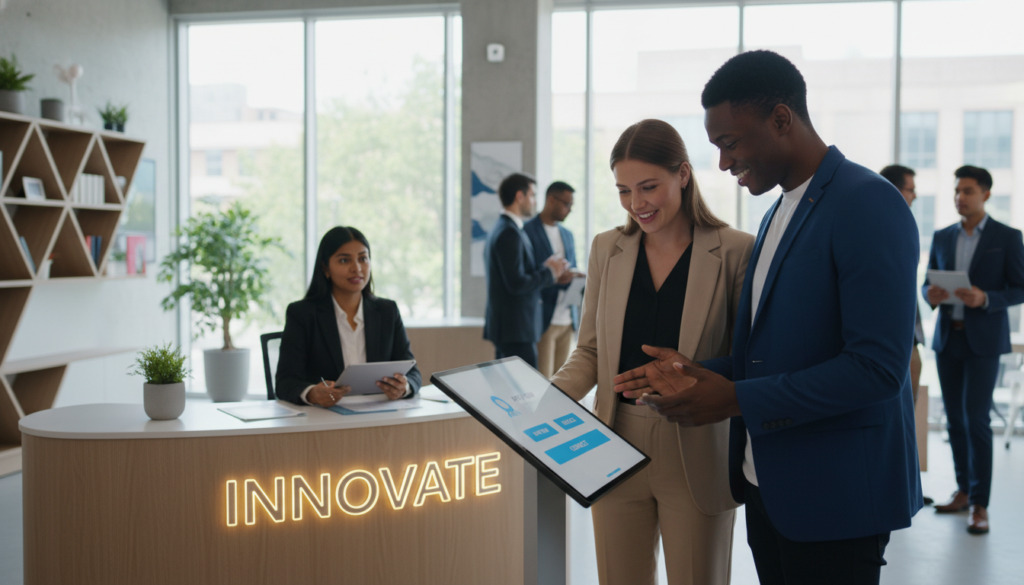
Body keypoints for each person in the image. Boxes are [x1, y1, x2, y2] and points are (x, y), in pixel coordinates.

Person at [613, 51, 922, 585]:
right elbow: (776, 351)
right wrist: (701, 372)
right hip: (768, 485)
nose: (723, 164)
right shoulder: (779, 210)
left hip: (837, 496)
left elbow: (876, 369)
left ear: (782, 119)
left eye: (729, 144)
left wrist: (734, 399)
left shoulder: (868, 202)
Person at [551, 119, 754, 585]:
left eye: (648, 187)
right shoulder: (607, 248)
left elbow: (747, 359)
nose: (636, 204)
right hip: (613, 442)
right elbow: (591, 351)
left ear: (683, 174)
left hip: (698, 445)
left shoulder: (736, 251)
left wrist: (688, 373)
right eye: (624, 190)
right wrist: (548, 399)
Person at [925, 165, 1024, 535]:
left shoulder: (1007, 237)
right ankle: (964, 491)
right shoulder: (942, 236)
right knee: (953, 421)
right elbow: (926, 282)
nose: (959, 198)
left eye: (967, 191)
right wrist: (929, 295)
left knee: (976, 421)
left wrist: (987, 298)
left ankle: (981, 504)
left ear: (985, 193)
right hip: (949, 338)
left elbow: (1021, 287)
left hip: (983, 342)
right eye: (956, 191)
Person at [276, 226, 421, 407]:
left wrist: (404, 387)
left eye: (363, 258)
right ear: (325, 268)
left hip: (379, 414)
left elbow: (413, 373)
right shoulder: (302, 314)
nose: (357, 268)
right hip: (323, 419)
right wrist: (312, 393)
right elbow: (285, 382)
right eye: (344, 260)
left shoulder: (387, 311)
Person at [881, 164, 935, 507]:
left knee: (907, 416)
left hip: (911, 339)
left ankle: (906, 485)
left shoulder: (900, 223)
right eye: (911, 188)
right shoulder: (882, 224)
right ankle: (897, 488)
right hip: (895, 344)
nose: (914, 196)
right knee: (896, 417)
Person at [484, 173, 571, 368]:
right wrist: (550, 273)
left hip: (512, 328)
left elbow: (517, 274)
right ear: (519, 197)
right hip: (515, 329)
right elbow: (516, 283)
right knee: (525, 391)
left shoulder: (505, 228)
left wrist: (545, 268)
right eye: (532, 195)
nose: (534, 202)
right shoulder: (509, 232)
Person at [524, 181, 580, 378]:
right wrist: (554, 277)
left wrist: (574, 275)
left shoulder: (568, 235)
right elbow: (527, 276)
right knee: (542, 382)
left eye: (572, 205)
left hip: (567, 318)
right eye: (566, 204)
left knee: (562, 386)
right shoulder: (527, 231)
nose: (569, 210)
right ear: (551, 200)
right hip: (543, 318)